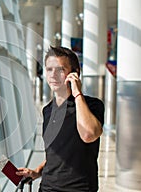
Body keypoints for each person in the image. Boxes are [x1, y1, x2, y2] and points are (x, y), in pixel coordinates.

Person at [16, 46, 104, 192]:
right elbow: (55, 154)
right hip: (47, 188)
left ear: (75, 73)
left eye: (60, 70)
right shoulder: (47, 110)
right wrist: (37, 171)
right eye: (49, 69)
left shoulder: (92, 105)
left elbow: (89, 134)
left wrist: (77, 94)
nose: (53, 75)